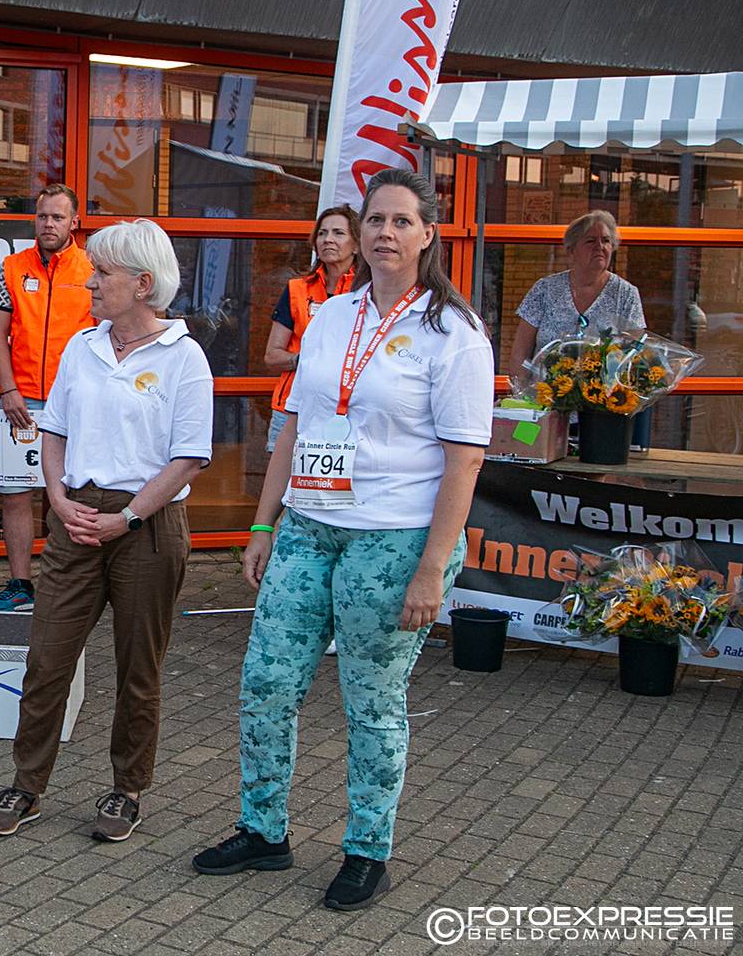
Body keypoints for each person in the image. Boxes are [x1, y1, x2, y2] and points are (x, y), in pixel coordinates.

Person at [191, 169, 493, 911]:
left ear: (428, 235)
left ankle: (367, 850)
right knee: (266, 682)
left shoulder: (454, 333)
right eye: (375, 220)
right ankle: (263, 830)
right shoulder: (330, 317)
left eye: (401, 221)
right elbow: (296, 425)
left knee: (371, 700)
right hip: (308, 525)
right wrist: (264, 522)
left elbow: (465, 460)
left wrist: (432, 568)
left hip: (392, 537)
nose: (385, 232)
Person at [0, 218, 212, 844]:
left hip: (148, 524)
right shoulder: (83, 347)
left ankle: (127, 789)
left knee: (139, 668)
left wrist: (128, 517)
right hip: (76, 519)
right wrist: (57, 497)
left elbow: (189, 457)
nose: (90, 283)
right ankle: (26, 785)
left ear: (143, 284)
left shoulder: (184, 356)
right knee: (46, 660)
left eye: (102, 273)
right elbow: (53, 429)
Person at [0, 184, 96, 612]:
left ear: (74, 223)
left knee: (70, 494)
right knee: (16, 495)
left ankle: (66, 584)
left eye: (57, 217)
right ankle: (20, 584)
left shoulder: (93, 268)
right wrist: (9, 389)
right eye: (43, 216)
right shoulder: (12, 267)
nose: (48, 224)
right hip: (23, 401)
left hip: (75, 403)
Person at [265, 205, 359, 453]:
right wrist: (305, 360)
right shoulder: (296, 289)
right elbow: (272, 356)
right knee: (282, 476)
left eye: (339, 233)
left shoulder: (369, 291)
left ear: (357, 245)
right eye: (322, 233)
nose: (328, 239)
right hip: (292, 407)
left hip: (349, 410)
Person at [507, 210, 646, 376]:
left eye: (606, 240)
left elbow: (633, 357)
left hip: (604, 391)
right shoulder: (544, 289)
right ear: (572, 250)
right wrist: (521, 389)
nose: (600, 246)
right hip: (542, 391)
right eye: (591, 241)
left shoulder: (626, 294)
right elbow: (520, 354)